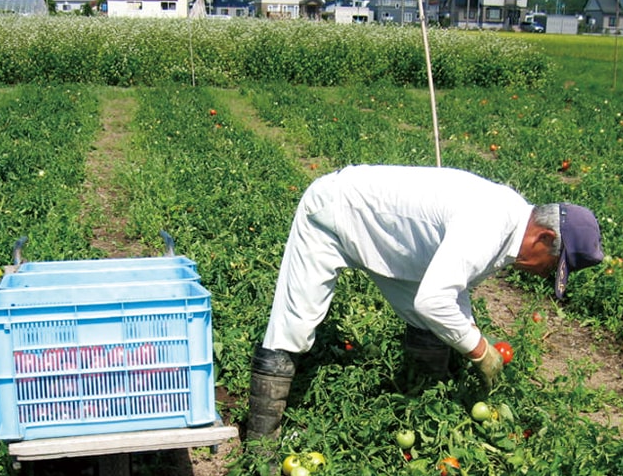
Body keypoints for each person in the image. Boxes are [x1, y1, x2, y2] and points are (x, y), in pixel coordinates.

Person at [245, 164, 604, 442]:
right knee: (294, 324)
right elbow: (435, 300)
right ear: (545, 236)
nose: (544, 275)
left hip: (391, 241)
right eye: (552, 266)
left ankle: (424, 408)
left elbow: (451, 288)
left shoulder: (508, 225)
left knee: (427, 322)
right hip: (335, 212)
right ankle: (261, 445)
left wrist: (468, 330)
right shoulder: (490, 223)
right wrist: (481, 351)